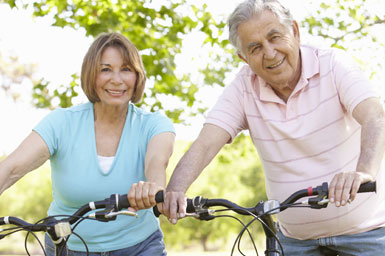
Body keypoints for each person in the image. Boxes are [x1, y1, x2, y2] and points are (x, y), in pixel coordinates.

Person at [163, 0, 385, 255]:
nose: (269, 53)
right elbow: (204, 144)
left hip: (370, 232)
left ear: (295, 31)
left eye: (275, 37)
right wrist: (176, 189)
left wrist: (364, 173)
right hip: (295, 240)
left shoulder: (332, 64)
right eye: (255, 48)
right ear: (243, 58)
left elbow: (374, 116)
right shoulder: (244, 88)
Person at [0, 32, 175, 255]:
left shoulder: (154, 124)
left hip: (138, 247)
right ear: (91, 75)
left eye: (126, 69)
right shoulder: (62, 123)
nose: (116, 79)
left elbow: (157, 162)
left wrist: (152, 188)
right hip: (68, 245)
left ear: (137, 76)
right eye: (105, 69)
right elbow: (11, 168)